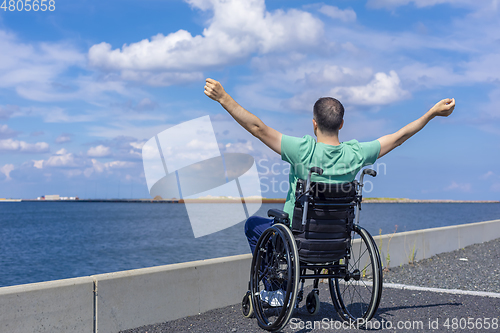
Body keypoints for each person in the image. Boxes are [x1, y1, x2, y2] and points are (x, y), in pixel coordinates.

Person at [204, 78, 455, 255]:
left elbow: (257, 128)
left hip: (296, 238)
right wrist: (431, 113)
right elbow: (399, 137)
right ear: (341, 124)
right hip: (336, 240)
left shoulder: (303, 149)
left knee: (252, 225)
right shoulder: (356, 153)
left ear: (314, 124)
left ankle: (273, 288)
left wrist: (223, 98)